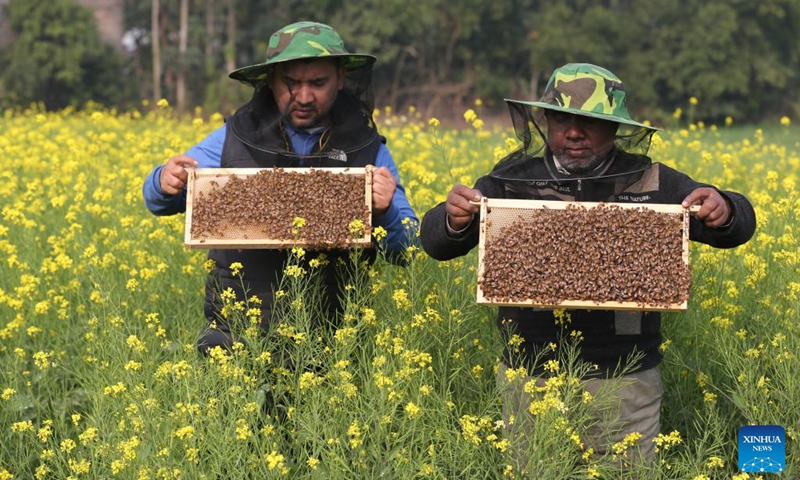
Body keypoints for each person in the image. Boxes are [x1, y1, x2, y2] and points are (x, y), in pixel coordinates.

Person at [419, 63, 756, 467]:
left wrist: (725, 208)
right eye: (562, 118)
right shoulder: (510, 182)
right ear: (545, 120)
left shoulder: (653, 182)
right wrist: (452, 218)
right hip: (530, 378)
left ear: (614, 126)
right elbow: (435, 241)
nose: (574, 132)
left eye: (590, 121)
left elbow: (736, 224)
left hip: (625, 382)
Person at [143, 21, 418, 355]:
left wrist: (386, 211)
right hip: (238, 339)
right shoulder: (233, 138)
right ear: (271, 81)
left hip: (332, 343)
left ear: (341, 78)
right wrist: (163, 181)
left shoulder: (369, 149)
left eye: (318, 83)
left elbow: (409, 248)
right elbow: (160, 199)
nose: (303, 97)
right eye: (291, 83)